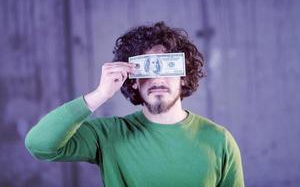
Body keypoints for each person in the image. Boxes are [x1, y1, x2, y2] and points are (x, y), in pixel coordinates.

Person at [25, 22, 244, 187]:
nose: (158, 79)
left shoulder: (219, 140)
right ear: (134, 80)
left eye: (167, 67)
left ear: (184, 77)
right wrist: (100, 94)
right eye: (147, 69)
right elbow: (39, 144)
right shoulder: (108, 134)